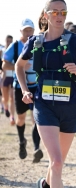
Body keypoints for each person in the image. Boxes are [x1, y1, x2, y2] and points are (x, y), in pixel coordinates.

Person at [15, 0, 76, 188]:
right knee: (57, 162)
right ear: (46, 15)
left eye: (63, 12)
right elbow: (19, 67)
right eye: (55, 12)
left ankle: (45, 184)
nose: (59, 15)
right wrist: (24, 90)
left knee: (57, 162)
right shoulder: (35, 42)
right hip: (44, 106)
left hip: (70, 107)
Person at [2, 19, 44, 163]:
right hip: (20, 87)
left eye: (30, 30)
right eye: (25, 30)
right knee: (20, 119)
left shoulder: (38, 43)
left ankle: (36, 148)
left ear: (34, 30)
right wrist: (19, 66)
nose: (28, 33)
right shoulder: (14, 47)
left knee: (36, 118)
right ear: (20, 31)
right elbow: (4, 64)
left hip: (36, 86)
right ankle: (22, 142)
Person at [0, 35, 15, 125]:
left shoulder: (14, 51)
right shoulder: (2, 52)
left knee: (12, 97)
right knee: (5, 98)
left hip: (13, 76)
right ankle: (5, 108)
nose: (9, 43)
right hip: (5, 77)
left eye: (10, 41)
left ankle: (12, 116)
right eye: (7, 41)